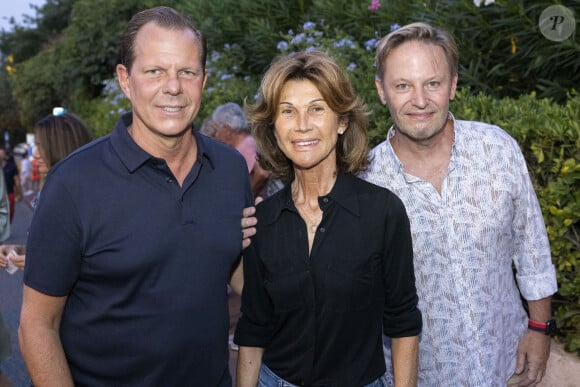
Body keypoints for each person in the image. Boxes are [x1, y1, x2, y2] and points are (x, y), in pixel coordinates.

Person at [19, 6, 253, 386]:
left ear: (204, 80)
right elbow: (37, 325)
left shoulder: (229, 169)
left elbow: (236, 272)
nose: (173, 87)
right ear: (125, 79)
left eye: (187, 72)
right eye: (155, 71)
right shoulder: (73, 184)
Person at [361, 22, 558, 386]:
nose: (419, 100)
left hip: (508, 366)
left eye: (432, 83)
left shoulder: (497, 149)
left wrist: (540, 328)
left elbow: (532, 248)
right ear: (382, 91)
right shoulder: (366, 182)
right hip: (419, 378)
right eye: (403, 85)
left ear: (452, 84)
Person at [234, 50, 422, 387]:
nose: (302, 124)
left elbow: (404, 323)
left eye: (317, 108)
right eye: (287, 111)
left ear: (342, 121)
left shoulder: (383, 213)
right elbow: (254, 326)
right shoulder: (262, 222)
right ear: (274, 128)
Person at [0, 112, 93, 270]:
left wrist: (37, 261)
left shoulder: (74, 197)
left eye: (40, 145)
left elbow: (84, 260)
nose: (35, 154)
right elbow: (55, 248)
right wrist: (20, 251)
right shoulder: (55, 190)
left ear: (59, 146)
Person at [202, 102, 282, 198]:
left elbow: (262, 172)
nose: (217, 135)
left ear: (227, 129)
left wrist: (248, 199)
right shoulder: (245, 143)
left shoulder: (245, 146)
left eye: (218, 130)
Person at [0, 148, 21, 223]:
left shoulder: (11, 166)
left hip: (9, 194)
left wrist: (19, 193)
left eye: (2, 153)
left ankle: (7, 226)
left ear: (5, 155)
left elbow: (17, 181)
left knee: (10, 213)